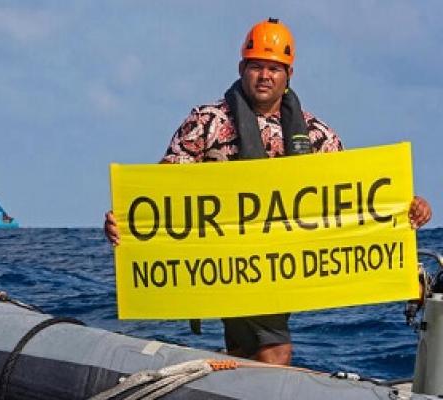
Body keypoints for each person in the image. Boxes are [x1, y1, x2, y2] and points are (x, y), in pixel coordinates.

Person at [105, 18, 432, 365]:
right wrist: (126, 220)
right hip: (221, 263)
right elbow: (163, 190)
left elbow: (355, 198)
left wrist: (407, 208)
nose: (265, 76)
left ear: (289, 75)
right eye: (256, 66)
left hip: (283, 268)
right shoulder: (207, 122)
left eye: (274, 69)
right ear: (241, 68)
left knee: (248, 351)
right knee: (275, 351)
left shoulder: (316, 134)